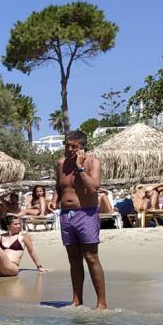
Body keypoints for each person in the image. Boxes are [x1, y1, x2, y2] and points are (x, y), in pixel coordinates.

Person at [56, 130, 107, 309]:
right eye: (67, 145)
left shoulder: (93, 162)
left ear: (82, 146)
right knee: (73, 258)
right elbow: (59, 185)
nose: (69, 149)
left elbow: (94, 187)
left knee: (91, 257)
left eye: (73, 146)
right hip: (66, 215)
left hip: (86, 213)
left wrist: (80, 168)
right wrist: (54, 200)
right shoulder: (61, 164)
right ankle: (77, 300)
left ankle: (101, 303)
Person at [0, 216, 47, 282]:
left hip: (11, 267)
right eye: (15, 224)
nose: (18, 226)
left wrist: (39, 267)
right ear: (8, 225)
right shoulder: (0, 237)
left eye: (19, 224)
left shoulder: (23, 235)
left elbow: (31, 251)